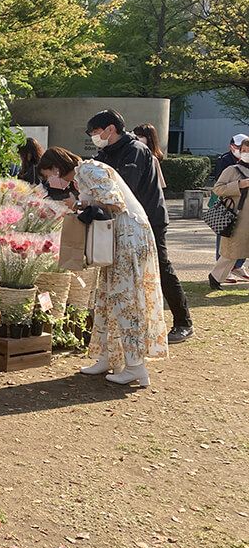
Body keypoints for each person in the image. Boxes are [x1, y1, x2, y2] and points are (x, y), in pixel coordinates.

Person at [38, 147, 168, 386]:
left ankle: (135, 366)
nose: (49, 181)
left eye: (48, 175)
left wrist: (78, 202)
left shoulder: (89, 169)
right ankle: (108, 357)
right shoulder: (83, 174)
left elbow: (113, 201)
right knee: (107, 297)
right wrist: (79, 203)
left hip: (127, 239)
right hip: (118, 240)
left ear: (56, 168)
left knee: (125, 298)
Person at [86, 110, 193, 344]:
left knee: (160, 267)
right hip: (123, 221)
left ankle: (183, 322)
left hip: (148, 220)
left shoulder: (135, 151)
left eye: (95, 132)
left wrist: (94, 199)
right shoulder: (105, 153)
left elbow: (124, 189)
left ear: (110, 129)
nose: (94, 136)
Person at [209, 138, 249, 289]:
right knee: (231, 251)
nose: (246, 154)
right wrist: (239, 185)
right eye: (243, 150)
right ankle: (216, 277)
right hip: (237, 217)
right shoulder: (232, 170)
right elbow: (218, 189)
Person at [133, 123, 166, 190]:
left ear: (150, 139)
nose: (137, 139)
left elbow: (160, 185)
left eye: (140, 136)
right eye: (136, 136)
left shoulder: (152, 159)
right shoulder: (132, 155)